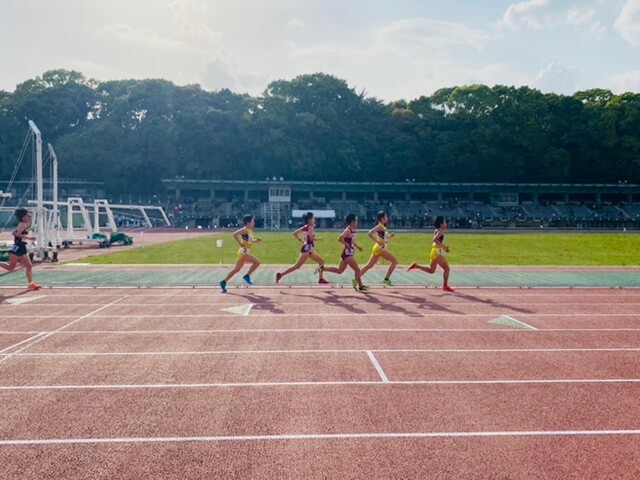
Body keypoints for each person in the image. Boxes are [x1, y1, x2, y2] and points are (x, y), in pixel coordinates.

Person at [276, 212, 329, 285]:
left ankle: (321, 278)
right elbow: (311, 239)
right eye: (313, 218)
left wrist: (301, 240)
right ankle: (280, 275)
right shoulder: (310, 227)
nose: (314, 219)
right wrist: (319, 239)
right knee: (297, 266)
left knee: (321, 262)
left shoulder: (305, 227)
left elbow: (294, 233)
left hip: (309, 249)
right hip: (307, 250)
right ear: (309, 219)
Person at [320, 213, 369, 292]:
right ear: (352, 222)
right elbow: (340, 238)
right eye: (356, 220)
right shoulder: (348, 230)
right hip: (347, 254)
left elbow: (352, 241)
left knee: (340, 271)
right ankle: (360, 286)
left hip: (348, 253)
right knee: (357, 269)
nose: (357, 222)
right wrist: (347, 245)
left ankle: (322, 269)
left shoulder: (353, 231)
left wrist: (357, 247)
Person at [408, 215, 454, 292]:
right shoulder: (440, 231)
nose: (446, 223)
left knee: (431, 271)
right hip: (437, 252)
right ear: (441, 224)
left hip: (433, 251)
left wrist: (443, 248)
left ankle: (417, 266)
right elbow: (434, 239)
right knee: (447, 269)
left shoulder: (437, 230)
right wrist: (445, 247)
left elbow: (436, 240)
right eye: (445, 222)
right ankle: (445, 286)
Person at [0, 207, 41, 291]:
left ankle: (31, 284)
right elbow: (18, 234)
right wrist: (30, 238)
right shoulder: (22, 224)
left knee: (29, 266)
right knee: (10, 268)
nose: (29, 217)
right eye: (27, 215)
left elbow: (14, 233)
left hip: (22, 247)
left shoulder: (23, 224)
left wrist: (18, 234)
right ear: (23, 217)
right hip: (18, 247)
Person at [219, 215, 261, 293]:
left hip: (245, 251)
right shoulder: (244, 230)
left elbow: (249, 241)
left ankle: (223, 282)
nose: (254, 223)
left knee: (237, 269)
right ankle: (247, 276)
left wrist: (256, 241)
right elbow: (234, 234)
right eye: (253, 221)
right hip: (243, 252)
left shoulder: (249, 231)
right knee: (257, 262)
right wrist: (240, 243)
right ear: (248, 222)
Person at [359, 211, 398, 286]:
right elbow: (369, 233)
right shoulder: (380, 226)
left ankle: (356, 278)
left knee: (369, 265)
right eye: (386, 217)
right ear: (382, 218)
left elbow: (383, 238)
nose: (387, 218)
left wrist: (390, 236)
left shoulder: (383, 227)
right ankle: (386, 279)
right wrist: (377, 241)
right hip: (380, 248)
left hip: (378, 248)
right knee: (394, 261)